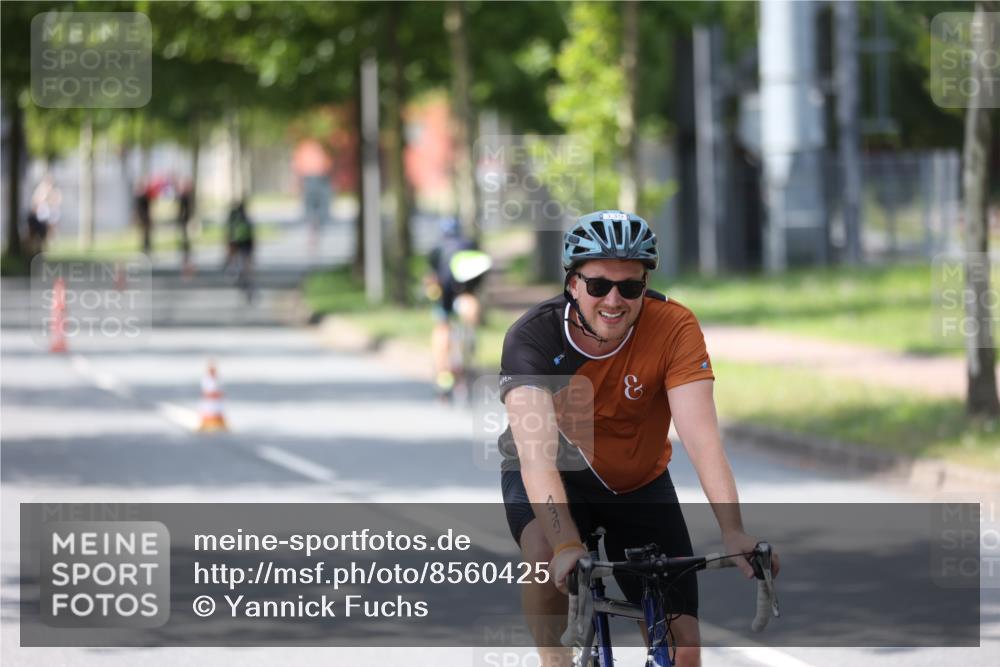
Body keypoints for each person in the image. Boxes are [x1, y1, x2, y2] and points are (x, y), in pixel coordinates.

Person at [497, 210, 779, 667]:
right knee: (544, 555)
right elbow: (537, 459)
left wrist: (732, 529)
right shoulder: (532, 337)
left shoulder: (673, 327)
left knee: (683, 647)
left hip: (637, 480)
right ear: (572, 284)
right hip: (557, 477)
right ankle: (555, 661)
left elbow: (703, 439)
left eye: (630, 287)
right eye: (598, 285)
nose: (614, 300)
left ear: (644, 285)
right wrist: (568, 545)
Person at [426, 217, 490, 396]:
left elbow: (433, 278)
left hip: (446, 292)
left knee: (442, 327)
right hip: (467, 292)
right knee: (470, 312)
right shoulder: (470, 243)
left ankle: (443, 374)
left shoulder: (437, 248)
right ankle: (469, 342)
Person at [224, 199, 255, 299]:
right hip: (246, 242)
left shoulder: (234, 218)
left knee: (237, 258)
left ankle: (237, 273)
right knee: (245, 261)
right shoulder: (246, 218)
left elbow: (229, 232)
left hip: (238, 241)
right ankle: (244, 276)